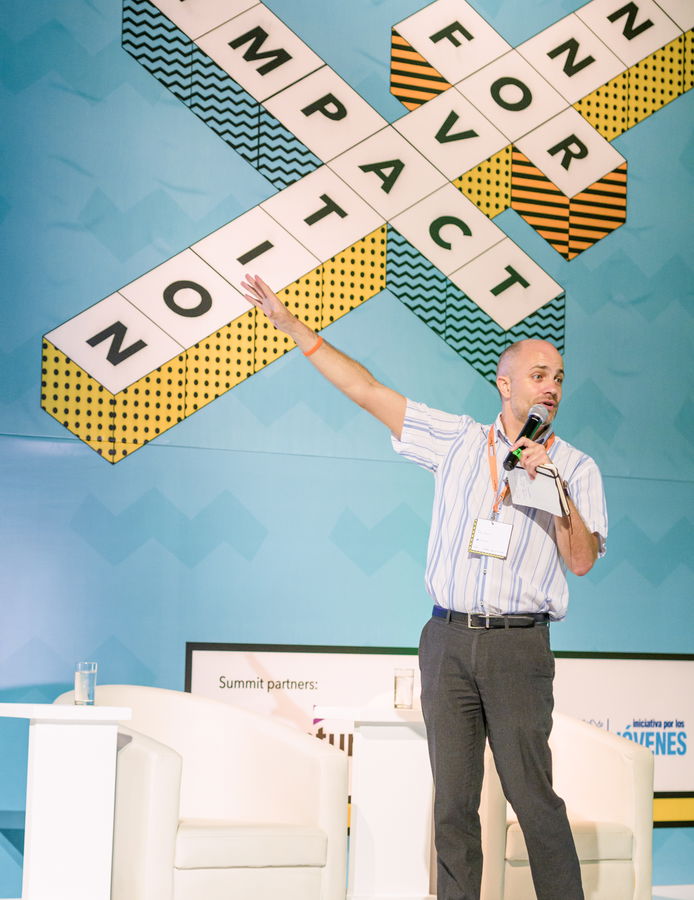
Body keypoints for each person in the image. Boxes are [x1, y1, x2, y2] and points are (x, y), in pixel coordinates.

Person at [241, 274, 608, 900]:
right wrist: (294, 327)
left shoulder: (574, 466)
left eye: (559, 378)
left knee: (531, 795)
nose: (552, 386)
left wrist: (555, 490)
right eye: (541, 374)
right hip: (447, 640)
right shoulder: (458, 440)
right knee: (453, 804)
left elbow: (581, 561)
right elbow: (366, 390)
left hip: (519, 647)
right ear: (506, 382)